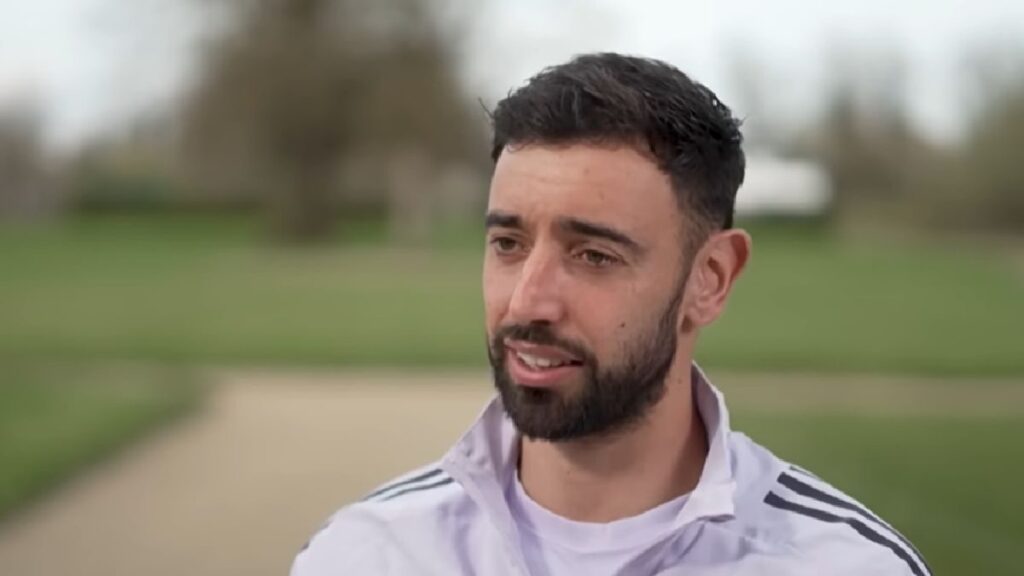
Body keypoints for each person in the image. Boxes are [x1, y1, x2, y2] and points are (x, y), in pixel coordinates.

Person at [291, 52, 931, 576]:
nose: (527, 302)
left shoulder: (848, 564)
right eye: (508, 245)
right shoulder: (364, 555)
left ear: (709, 280)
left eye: (593, 255)